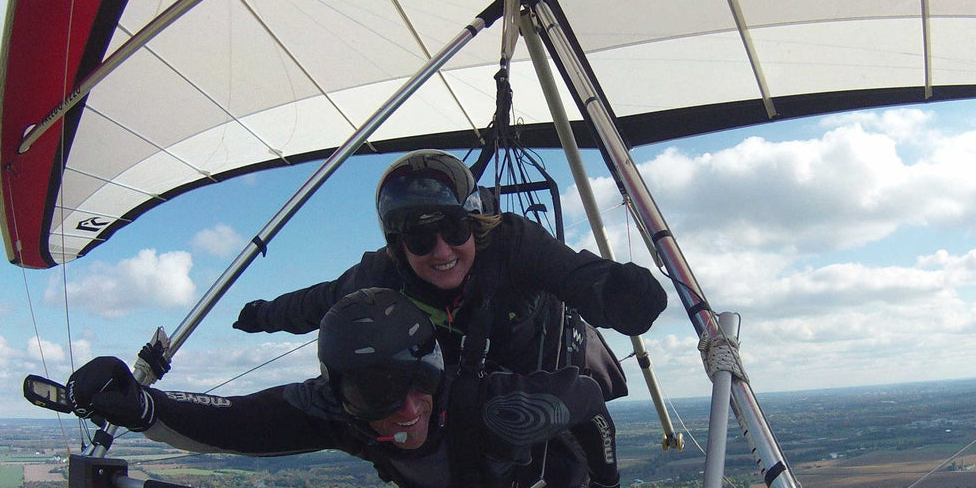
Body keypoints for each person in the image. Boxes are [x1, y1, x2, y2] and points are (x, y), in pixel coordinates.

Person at [68, 288, 627, 488]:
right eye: (377, 396)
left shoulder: (499, 408)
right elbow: (237, 422)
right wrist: (142, 406)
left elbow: (589, 402)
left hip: (542, 472)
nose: (408, 410)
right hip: (450, 480)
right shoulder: (338, 410)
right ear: (343, 397)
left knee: (562, 455)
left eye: (420, 384)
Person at [232, 149, 666, 401]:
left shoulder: (515, 243)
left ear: (475, 226)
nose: (441, 251)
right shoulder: (383, 272)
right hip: (466, 382)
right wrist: (262, 315)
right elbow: (321, 302)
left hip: (537, 363)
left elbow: (577, 275)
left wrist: (624, 297)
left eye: (455, 230)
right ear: (400, 246)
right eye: (420, 240)